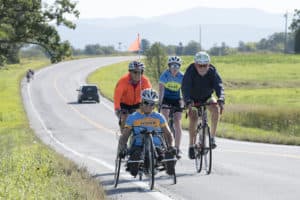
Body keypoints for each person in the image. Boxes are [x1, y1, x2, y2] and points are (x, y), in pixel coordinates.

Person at [117, 88, 176, 177]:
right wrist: (122, 148)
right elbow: (125, 135)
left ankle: (168, 164)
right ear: (142, 102)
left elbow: (168, 134)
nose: (149, 106)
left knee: (164, 155)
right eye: (146, 103)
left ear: (154, 105)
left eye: (152, 104)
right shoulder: (133, 117)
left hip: (156, 146)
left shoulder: (159, 117)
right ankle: (134, 165)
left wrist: (172, 146)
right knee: (136, 154)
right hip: (138, 145)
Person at [181, 51, 225, 159]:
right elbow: (185, 87)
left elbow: (219, 86)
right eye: (199, 66)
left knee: (215, 108)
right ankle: (191, 145)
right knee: (193, 118)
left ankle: (212, 138)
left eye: (205, 65)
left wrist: (221, 98)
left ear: (208, 64)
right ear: (195, 64)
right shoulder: (190, 71)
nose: (202, 68)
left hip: (207, 97)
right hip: (193, 99)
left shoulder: (212, 71)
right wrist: (187, 101)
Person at [114, 61, 152, 130]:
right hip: (124, 104)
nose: (138, 75)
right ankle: (123, 137)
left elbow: (150, 94)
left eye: (140, 72)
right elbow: (117, 96)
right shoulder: (123, 81)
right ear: (130, 72)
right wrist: (117, 108)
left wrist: (150, 105)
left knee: (143, 120)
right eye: (135, 72)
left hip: (138, 103)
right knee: (124, 119)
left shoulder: (145, 81)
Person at [159, 56, 184, 158]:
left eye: (177, 66)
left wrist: (184, 103)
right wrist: (160, 104)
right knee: (164, 118)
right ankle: (165, 143)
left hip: (177, 99)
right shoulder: (164, 75)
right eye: (172, 65)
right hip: (166, 98)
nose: (175, 68)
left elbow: (184, 91)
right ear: (169, 66)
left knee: (177, 121)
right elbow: (161, 91)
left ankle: (177, 148)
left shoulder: (182, 76)